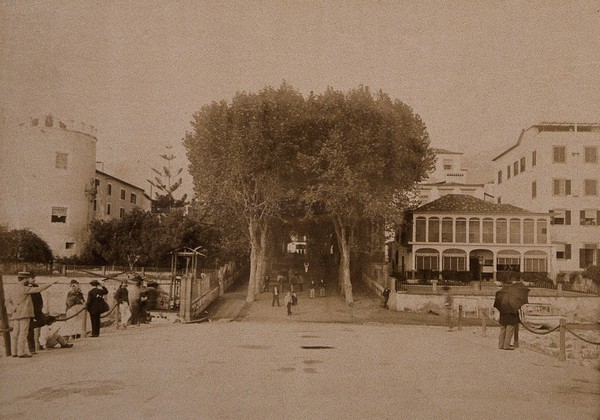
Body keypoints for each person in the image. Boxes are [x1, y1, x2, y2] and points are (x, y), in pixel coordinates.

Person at [6, 272, 56, 358]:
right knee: (23, 332)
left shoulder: (12, 289)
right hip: (25, 314)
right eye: (28, 278)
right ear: (24, 279)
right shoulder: (24, 288)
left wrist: (13, 309)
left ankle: (14, 352)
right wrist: (51, 283)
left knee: (15, 333)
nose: (29, 280)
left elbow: (7, 301)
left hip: (16, 314)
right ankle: (21, 352)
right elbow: (39, 289)